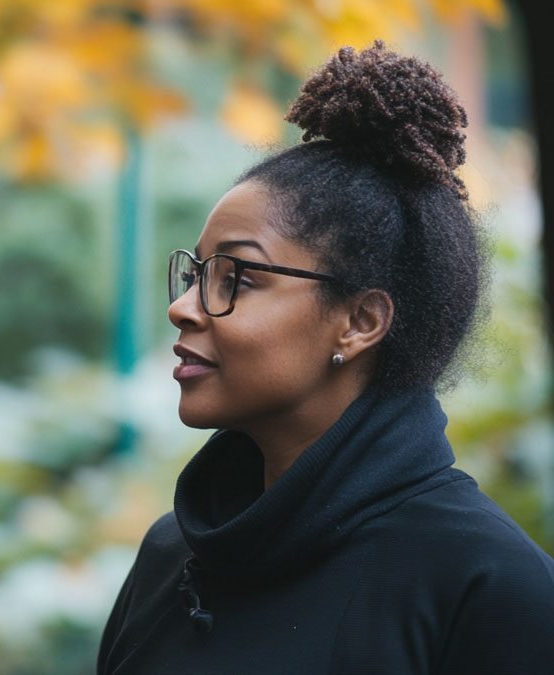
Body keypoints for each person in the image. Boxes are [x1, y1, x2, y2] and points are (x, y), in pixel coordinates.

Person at [98, 42, 554, 674]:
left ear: (360, 322)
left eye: (237, 277)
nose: (184, 308)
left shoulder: (491, 586)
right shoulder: (169, 557)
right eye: (196, 273)